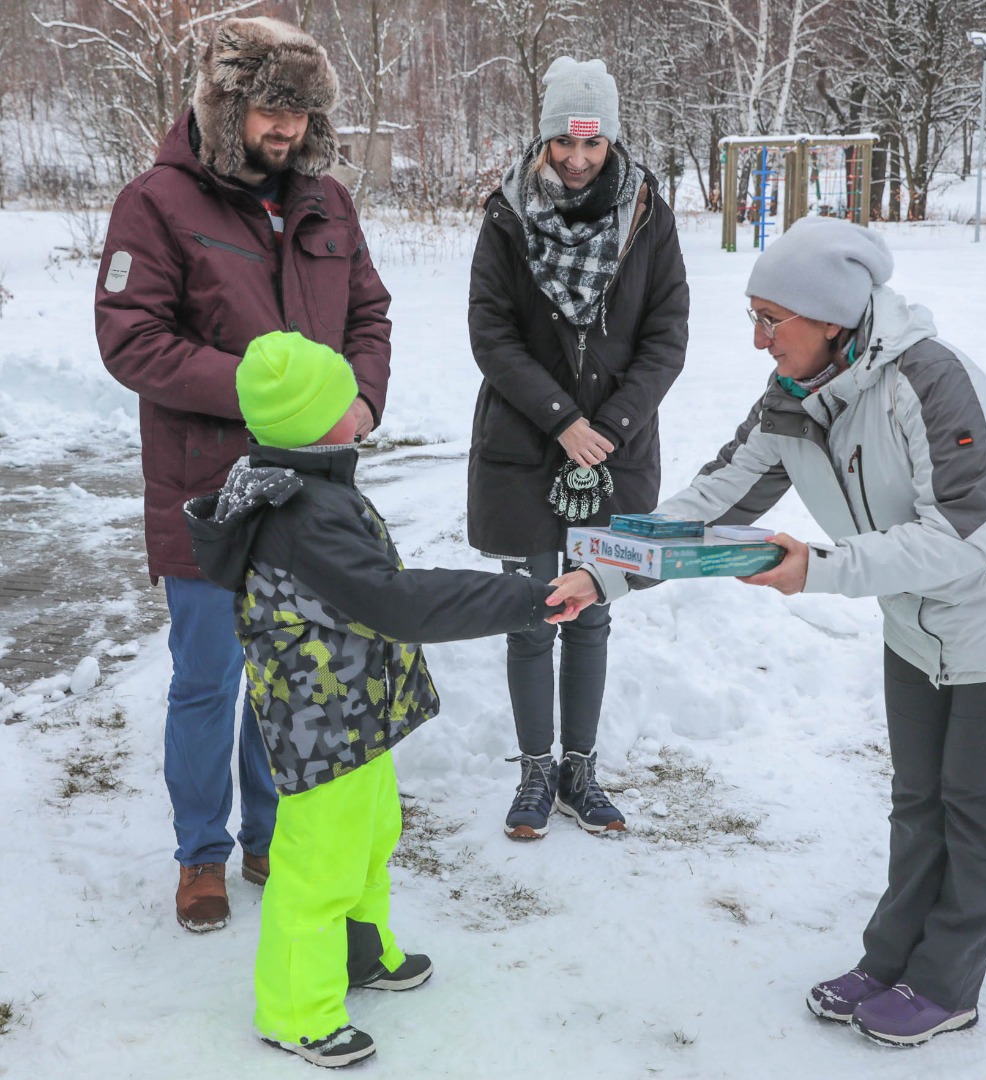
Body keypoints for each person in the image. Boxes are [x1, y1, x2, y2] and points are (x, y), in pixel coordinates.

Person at [550, 217, 986, 1046]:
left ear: (833, 318)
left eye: (775, 319)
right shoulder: (793, 400)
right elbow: (712, 502)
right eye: (753, 317)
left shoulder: (933, 380)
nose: (760, 340)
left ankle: (946, 983)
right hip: (917, 618)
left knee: (976, 808)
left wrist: (819, 567)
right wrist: (606, 571)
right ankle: (887, 963)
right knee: (917, 802)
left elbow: (957, 539)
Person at [185, 330, 572, 1067]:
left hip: (351, 719)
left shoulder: (310, 485)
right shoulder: (304, 516)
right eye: (344, 397)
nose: (360, 404)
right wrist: (523, 598)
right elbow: (396, 604)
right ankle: (295, 1011)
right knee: (317, 867)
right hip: (321, 728)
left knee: (368, 842)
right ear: (315, 421)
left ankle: (361, 955)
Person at [94, 16, 392, 931]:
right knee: (207, 680)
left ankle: (271, 834)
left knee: (291, 676)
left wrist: (362, 405)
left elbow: (370, 316)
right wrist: (272, 395)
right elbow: (130, 340)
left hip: (311, 490)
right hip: (205, 490)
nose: (286, 133)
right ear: (225, 104)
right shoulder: (156, 203)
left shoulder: (327, 203)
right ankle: (201, 855)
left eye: (300, 117)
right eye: (270, 110)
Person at [466, 56, 689, 840]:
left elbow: (666, 335)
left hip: (614, 450)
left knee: (590, 613)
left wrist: (612, 427)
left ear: (611, 142)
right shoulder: (506, 214)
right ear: (545, 136)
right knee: (531, 614)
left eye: (591, 145)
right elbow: (490, 335)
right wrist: (562, 420)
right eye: (563, 140)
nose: (576, 159)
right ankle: (533, 771)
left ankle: (579, 769)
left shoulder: (647, 216)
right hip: (525, 445)